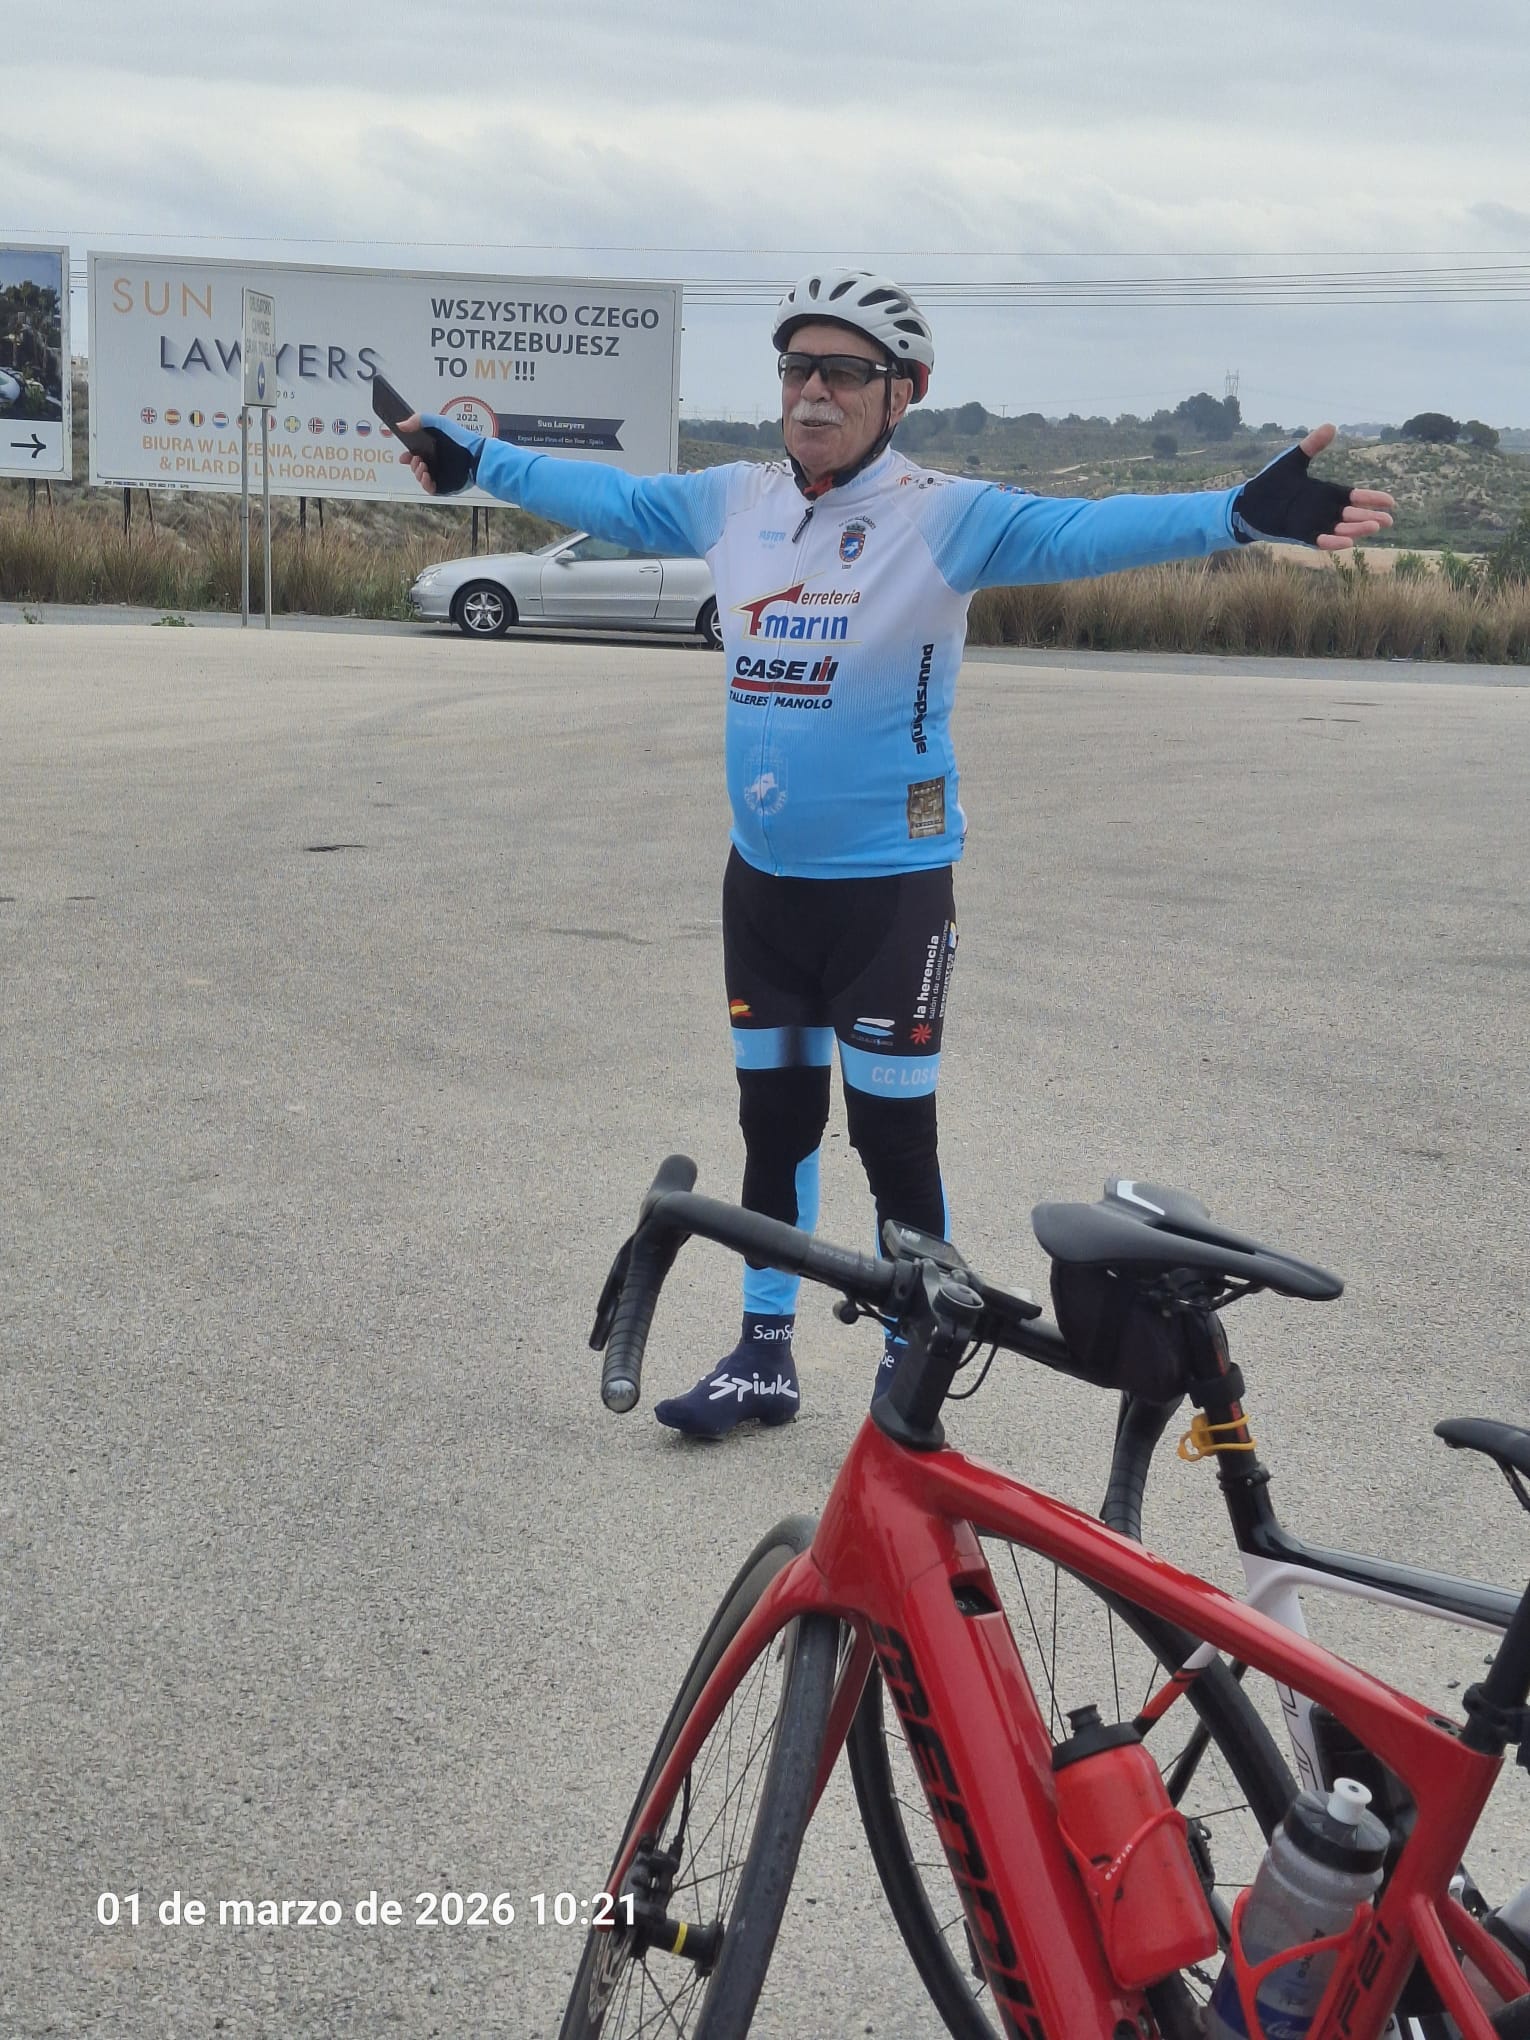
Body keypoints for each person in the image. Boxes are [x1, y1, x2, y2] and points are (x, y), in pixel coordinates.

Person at [398, 267, 1395, 1437]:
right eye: (796, 368)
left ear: (902, 392)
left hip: (890, 893)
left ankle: (906, 1369)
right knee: (773, 1130)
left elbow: (1085, 531)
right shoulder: (734, 500)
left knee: (892, 1147)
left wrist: (1234, 514)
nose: (812, 392)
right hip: (763, 889)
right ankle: (762, 1354)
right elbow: (607, 496)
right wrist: (477, 461)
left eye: (843, 371)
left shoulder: (943, 515)